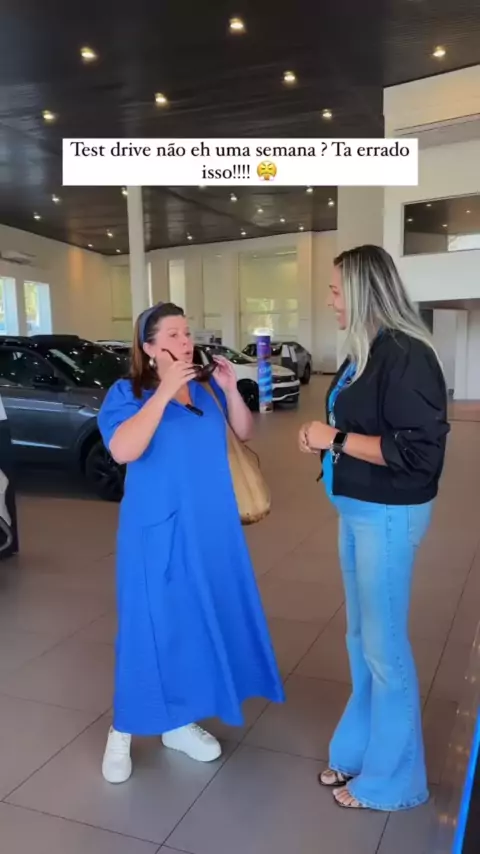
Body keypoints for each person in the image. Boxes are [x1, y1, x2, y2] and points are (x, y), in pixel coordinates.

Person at [98, 302, 284, 783]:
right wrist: (163, 392)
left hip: (209, 528)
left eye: (187, 333)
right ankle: (123, 729)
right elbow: (123, 449)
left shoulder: (205, 388)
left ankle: (177, 721)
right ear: (149, 348)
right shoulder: (127, 393)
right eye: (174, 335)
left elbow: (243, 432)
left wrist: (230, 389)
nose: (185, 342)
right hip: (155, 531)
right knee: (148, 628)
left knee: (196, 621)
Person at [299, 245, 449, 812]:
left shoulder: (407, 354)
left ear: (364, 292)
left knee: (385, 649)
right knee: (361, 640)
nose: (331, 300)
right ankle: (361, 749)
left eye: (337, 290)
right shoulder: (366, 351)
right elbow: (357, 422)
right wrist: (325, 438)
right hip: (359, 509)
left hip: (387, 514)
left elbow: (419, 455)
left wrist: (333, 438)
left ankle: (396, 780)